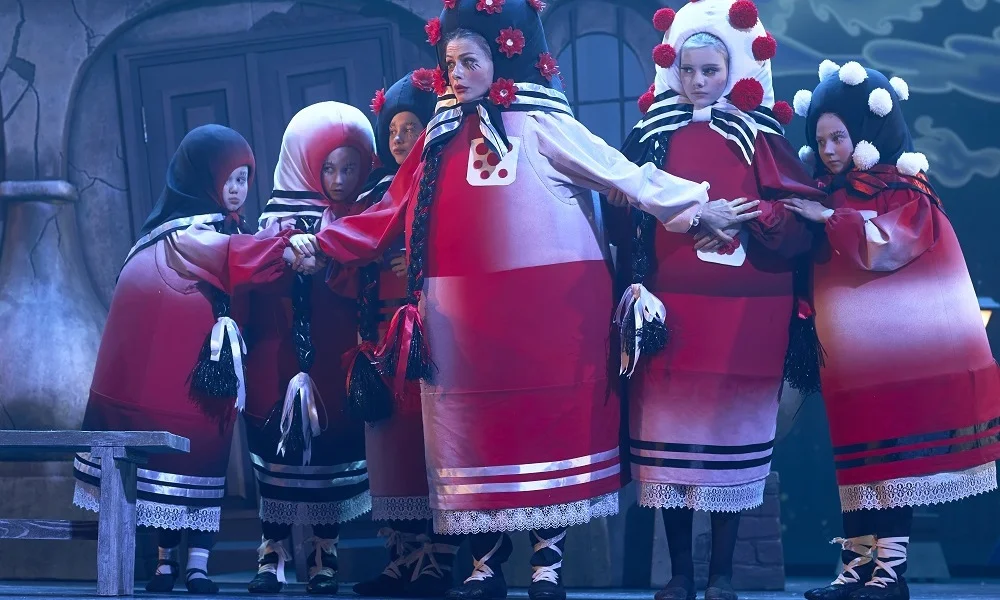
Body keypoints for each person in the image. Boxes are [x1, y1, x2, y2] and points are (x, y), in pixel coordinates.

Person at [287, 2, 755, 599]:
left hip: (543, 312)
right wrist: (323, 243)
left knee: (541, 431)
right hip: (459, 318)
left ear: (503, 58)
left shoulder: (541, 124)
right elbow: (388, 212)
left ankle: (546, 567)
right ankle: (485, 567)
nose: (456, 74)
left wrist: (697, 207)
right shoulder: (438, 137)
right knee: (473, 431)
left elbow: (624, 174)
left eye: (470, 61)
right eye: (450, 63)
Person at [612, 3, 823, 599]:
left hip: (745, 316)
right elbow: (623, 218)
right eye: (688, 70)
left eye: (710, 70)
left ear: (732, 70)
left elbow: (799, 220)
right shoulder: (651, 136)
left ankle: (722, 575)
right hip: (671, 313)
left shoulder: (762, 136)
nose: (698, 81)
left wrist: (751, 216)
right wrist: (683, 217)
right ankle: (680, 574)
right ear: (672, 70)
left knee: (730, 445)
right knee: (671, 449)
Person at [786, 61, 1000, 600]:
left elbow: (887, 245)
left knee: (892, 455)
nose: (829, 149)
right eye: (821, 139)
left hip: (896, 355)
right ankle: (856, 567)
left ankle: (890, 573)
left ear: (869, 129)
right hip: (849, 354)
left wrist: (827, 219)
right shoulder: (824, 193)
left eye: (839, 137)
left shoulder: (904, 191)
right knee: (857, 453)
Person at [72, 124, 297, 595]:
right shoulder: (184, 233)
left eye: (243, 179)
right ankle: (164, 563)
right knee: (170, 464)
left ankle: (197, 564)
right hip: (181, 373)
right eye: (227, 179)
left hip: (213, 374)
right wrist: (284, 241)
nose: (236, 190)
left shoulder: (231, 229)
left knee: (206, 461)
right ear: (202, 179)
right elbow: (232, 257)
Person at [242, 102, 375, 595]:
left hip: (337, 358)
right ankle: (271, 552)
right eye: (328, 168)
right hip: (277, 358)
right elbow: (252, 285)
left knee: (332, 457)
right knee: (277, 457)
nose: (339, 180)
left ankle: (325, 553)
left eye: (350, 168)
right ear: (304, 162)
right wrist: (283, 252)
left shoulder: (366, 219)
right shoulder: (270, 224)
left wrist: (334, 256)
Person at [349, 71, 462, 598]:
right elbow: (355, 251)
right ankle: (402, 555)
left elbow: (468, 244)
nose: (399, 139)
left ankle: (439, 559)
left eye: (410, 127)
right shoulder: (374, 194)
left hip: (433, 331)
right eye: (392, 130)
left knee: (431, 444)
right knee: (391, 448)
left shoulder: (443, 181)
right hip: (381, 334)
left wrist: (422, 261)